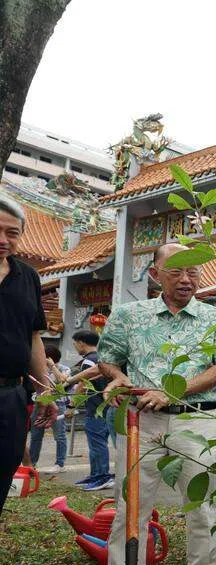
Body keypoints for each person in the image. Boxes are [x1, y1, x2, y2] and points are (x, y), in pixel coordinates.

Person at [98, 243, 216, 565]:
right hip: (141, 422)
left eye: (193, 272)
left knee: (201, 502)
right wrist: (117, 377)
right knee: (132, 502)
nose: (186, 279)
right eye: (176, 272)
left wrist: (172, 392)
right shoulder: (129, 315)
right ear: (156, 274)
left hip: (197, 421)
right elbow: (109, 358)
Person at [0, 195, 58, 538]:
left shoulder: (28, 277)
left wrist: (45, 390)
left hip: (10, 395)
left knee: (3, 474)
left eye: (12, 233)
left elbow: (34, 336)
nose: (4, 240)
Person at [67, 329, 114, 491]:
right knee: (99, 443)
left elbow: (81, 385)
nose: (75, 347)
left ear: (81, 342)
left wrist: (71, 406)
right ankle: (95, 475)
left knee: (97, 444)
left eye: (75, 344)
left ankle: (102, 476)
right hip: (107, 407)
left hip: (95, 409)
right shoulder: (103, 358)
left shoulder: (88, 362)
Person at [26, 345, 69, 473]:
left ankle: (60, 464)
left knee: (59, 436)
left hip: (58, 404)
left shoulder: (63, 368)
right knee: (36, 436)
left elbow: (62, 381)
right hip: (40, 404)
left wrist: (52, 367)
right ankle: (32, 463)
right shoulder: (39, 370)